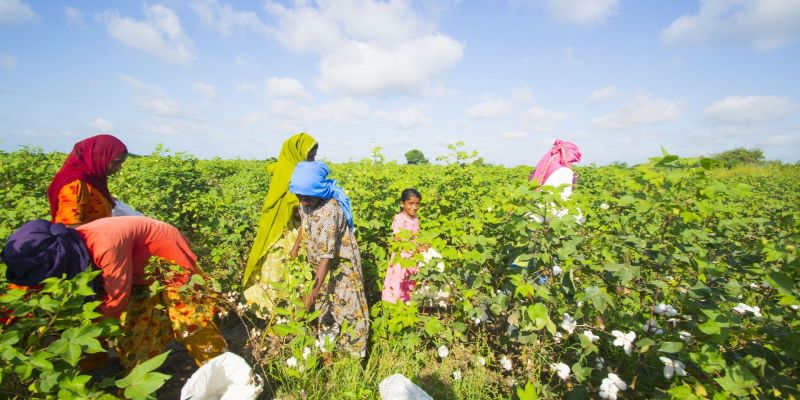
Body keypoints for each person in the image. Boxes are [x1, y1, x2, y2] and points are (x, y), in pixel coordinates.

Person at [1, 216, 227, 369]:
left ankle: (221, 371)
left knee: (192, 320)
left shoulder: (105, 245)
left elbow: (116, 298)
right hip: (136, 270)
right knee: (137, 326)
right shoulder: (69, 245)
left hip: (169, 261)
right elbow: (26, 288)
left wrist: (86, 336)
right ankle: (139, 373)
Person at [288, 161, 369, 357]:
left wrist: (311, 296)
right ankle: (328, 354)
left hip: (341, 267)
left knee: (348, 308)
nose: (304, 202)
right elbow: (304, 220)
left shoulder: (330, 211)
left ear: (319, 191)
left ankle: (353, 358)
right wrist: (296, 245)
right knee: (324, 310)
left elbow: (326, 258)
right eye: (300, 197)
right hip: (320, 268)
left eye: (307, 198)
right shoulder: (305, 201)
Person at [243, 133, 318, 315]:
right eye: (310, 156)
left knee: (292, 277)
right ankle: (277, 315)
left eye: (314, 156)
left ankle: (289, 315)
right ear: (297, 154)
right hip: (284, 234)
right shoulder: (290, 174)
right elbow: (296, 208)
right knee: (280, 276)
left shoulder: (298, 172)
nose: (313, 160)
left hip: (295, 232)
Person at [47, 134, 128, 226]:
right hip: (80, 239)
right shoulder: (75, 183)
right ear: (100, 157)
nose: (119, 167)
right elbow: (69, 226)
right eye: (116, 162)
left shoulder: (93, 179)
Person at [381, 188, 428, 303]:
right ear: (402, 204)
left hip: (412, 257)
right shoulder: (399, 218)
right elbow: (398, 241)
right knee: (399, 284)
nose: (414, 207)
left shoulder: (415, 219)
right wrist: (416, 248)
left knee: (410, 285)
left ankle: (408, 309)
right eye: (410, 203)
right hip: (402, 259)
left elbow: (415, 238)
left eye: (417, 204)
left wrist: (422, 246)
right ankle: (394, 310)